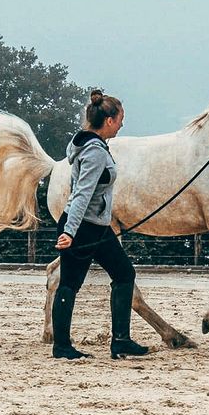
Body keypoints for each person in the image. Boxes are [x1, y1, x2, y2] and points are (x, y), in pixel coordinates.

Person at [51, 89, 149, 360]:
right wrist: (69, 232)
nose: (122, 125)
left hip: (97, 227)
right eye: (120, 119)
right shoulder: (93, 151)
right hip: (82, 227)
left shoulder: (91, 145)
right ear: (108, 120)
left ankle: (120, 341)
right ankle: (61, 347)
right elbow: (81, 193)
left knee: (124, 274)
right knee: (70, 283)